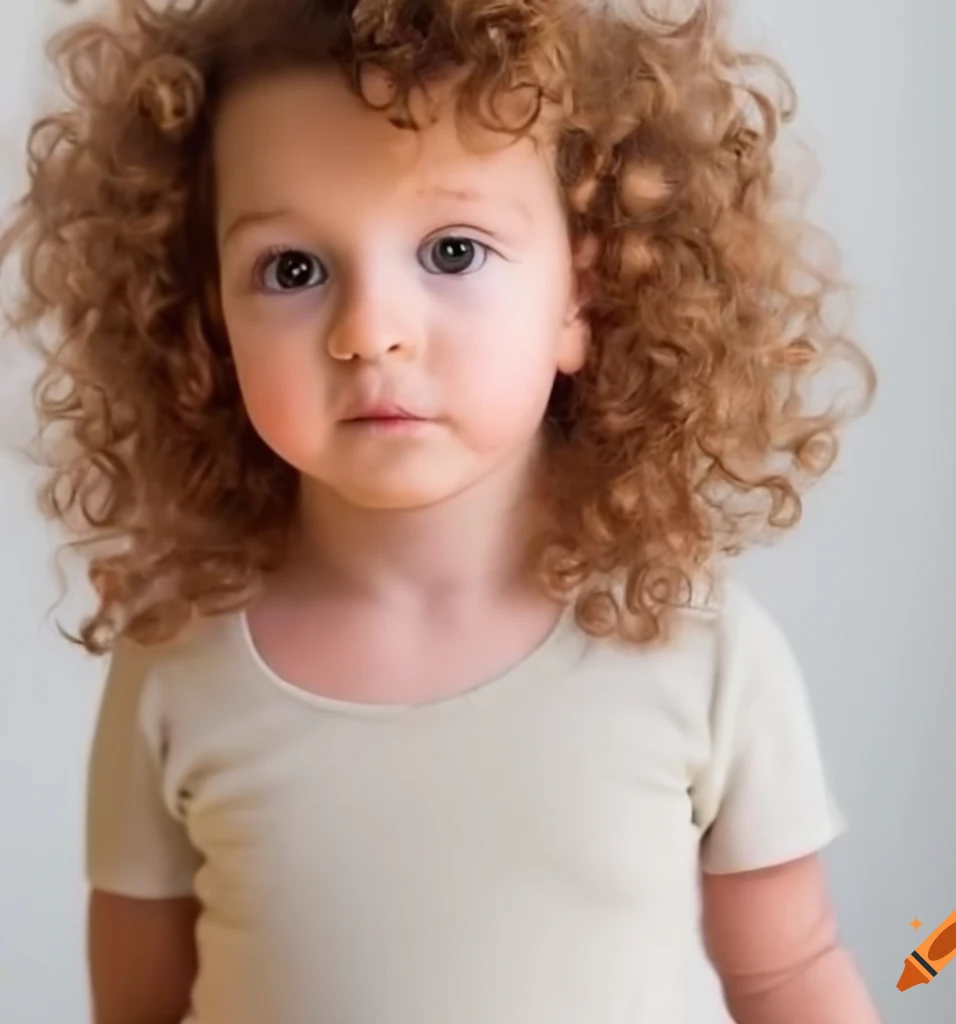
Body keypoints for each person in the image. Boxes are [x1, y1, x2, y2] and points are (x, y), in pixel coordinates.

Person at [3, 0, 880, 1021]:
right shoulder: (176, 659)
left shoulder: (700, 648)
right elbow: (137, 1007)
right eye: (293, 269)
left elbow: (785, 970)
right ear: (207, 323)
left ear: (580, 301)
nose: (371, 331)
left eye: (452, 252)